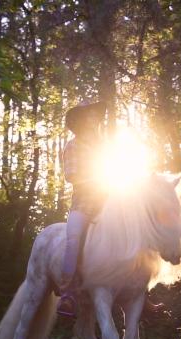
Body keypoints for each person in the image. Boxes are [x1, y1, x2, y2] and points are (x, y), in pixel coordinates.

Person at [57, 101, 106, 318]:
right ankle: (68, 292)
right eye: (89, 116)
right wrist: (100, 180)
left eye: (95, 116)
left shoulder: (104, 146)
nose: (93, 119)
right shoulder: (73, 146)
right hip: (83, 204)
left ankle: (141, 291)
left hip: (110, 205)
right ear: (80, 122)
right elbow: (72, 176)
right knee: (73, 239)